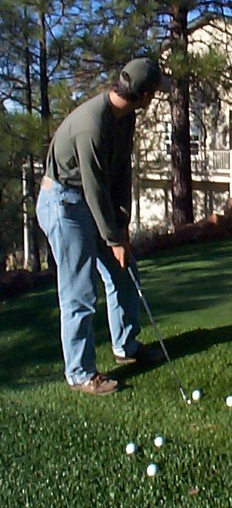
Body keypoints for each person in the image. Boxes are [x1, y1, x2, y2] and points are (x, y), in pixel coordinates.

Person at [36, 58, 171, 395]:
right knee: (80, 291)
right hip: (64, 204)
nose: (157, 97)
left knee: (124, 272)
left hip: (88, 200)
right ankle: (80, 373)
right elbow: (95, 188)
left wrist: (121, 225)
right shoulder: (92, 125)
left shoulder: (125, 118)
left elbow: (121, 173)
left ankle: (126, 346)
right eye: (155, 91)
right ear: (144, 94)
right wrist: (113, 238)